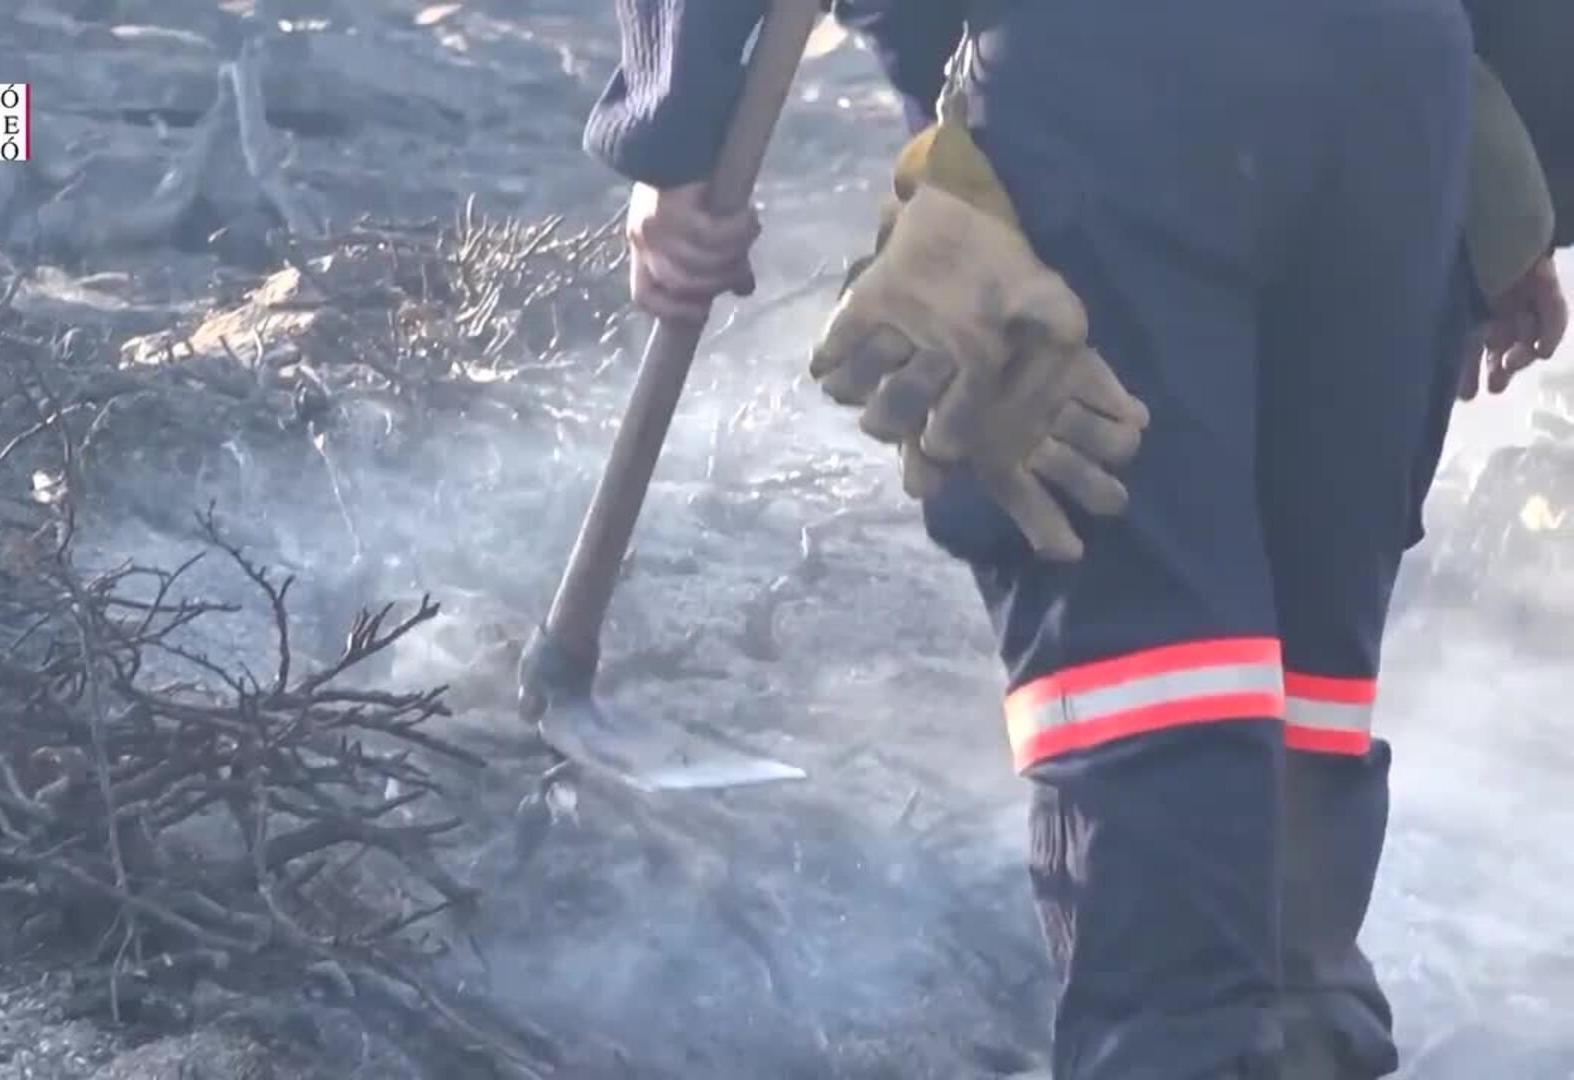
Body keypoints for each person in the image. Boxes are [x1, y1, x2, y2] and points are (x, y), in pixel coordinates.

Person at [584, 1, 1571, 1077]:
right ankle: (1297, 1037)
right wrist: (1528, 166)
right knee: (1304, 690)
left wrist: (676, 136)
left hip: (1111, 75)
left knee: (1157, 691)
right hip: (1394, 78)